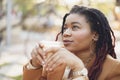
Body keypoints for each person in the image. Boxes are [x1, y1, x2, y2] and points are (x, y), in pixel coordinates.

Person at [23, 5, 120, 80]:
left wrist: (79, 69)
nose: (66, 33)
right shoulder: (55, 60)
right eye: (65, 28)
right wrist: (34, 65)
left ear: (95, 35)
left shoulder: (114, 68)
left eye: (75, 27)